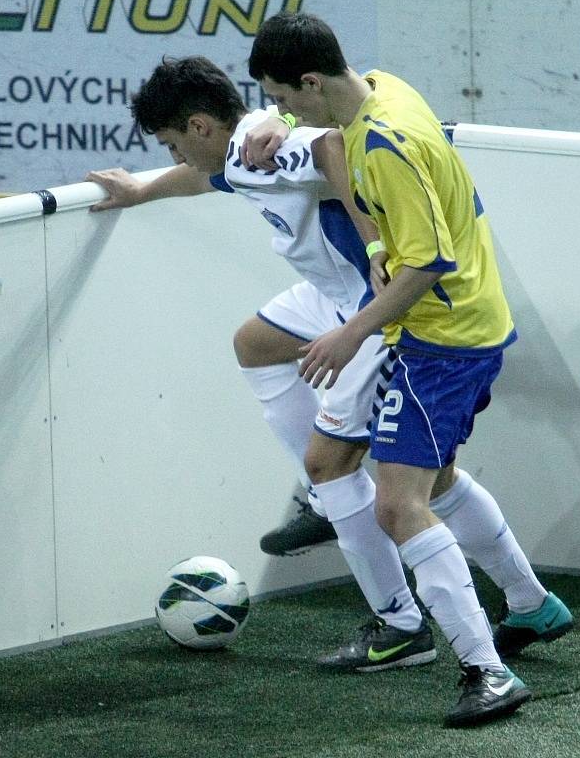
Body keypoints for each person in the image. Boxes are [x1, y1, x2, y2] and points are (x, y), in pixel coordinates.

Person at [246, 12, 574, 726]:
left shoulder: (385, 145)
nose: (286, 113)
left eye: (285, 96)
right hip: (465, 323)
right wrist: (277, 120)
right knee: (434, 479)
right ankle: (532, 605)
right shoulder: (387, 90)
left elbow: (427, 264)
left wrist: (349, 333)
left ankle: (485, 671)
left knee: (397, 505)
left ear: (310, 80)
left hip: (438, 338)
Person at [87, 55, 439, 674]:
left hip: (369, 301)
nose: (174, 159)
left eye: (173, 145)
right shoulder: (234, 156)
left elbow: (331, 147)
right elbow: (205, 179)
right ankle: (330, 500)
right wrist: (142, 191)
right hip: (329, 294)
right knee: (255, 343)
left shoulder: (263, 147)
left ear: (200, 126)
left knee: (340, 467)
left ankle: (402, 623)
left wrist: (378, 245)